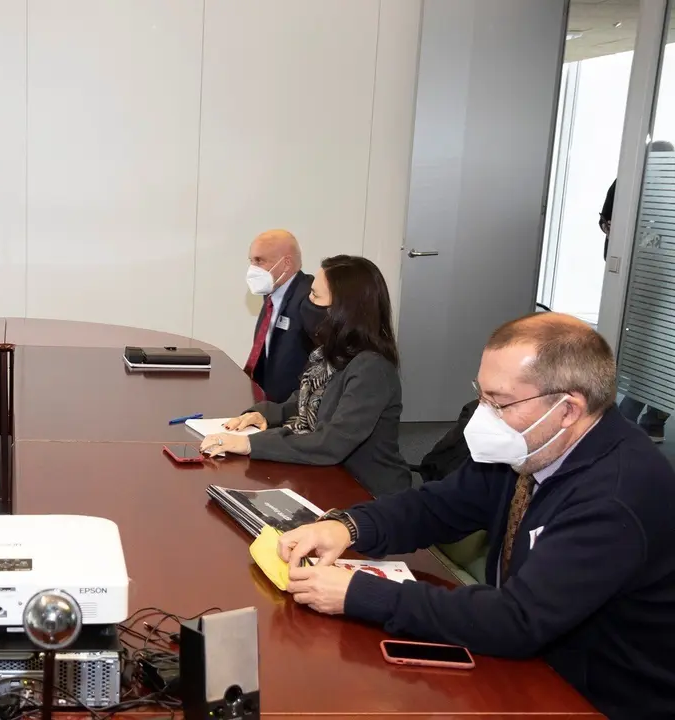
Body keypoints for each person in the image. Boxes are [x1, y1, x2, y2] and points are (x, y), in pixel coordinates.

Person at [278, 313, 675, 717]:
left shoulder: (617, 493)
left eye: (499, 402)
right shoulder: (531, 445)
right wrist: (348, 526)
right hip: (531, 665)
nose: (483, 415)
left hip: (597, 697)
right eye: (480, 396)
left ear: (568, 409)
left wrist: (358, 593)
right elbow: (437, 506)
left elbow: (517, 620)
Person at [203, 255, 411, 497]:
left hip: (369, 495)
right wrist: (264, 414)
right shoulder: (330, 354)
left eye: (315, 296)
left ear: (343, 310)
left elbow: (331, 443)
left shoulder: (372, 369)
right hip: (331, 478)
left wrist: (249, 444)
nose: (307, 303)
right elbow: (305, 401)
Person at [602, 141, 674, 443]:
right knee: (638, 341)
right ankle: (636, 415)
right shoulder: (626, 184)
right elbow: (607, 223)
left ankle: (645, 417)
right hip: (636, 276)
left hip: (661, 278)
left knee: (655, 346)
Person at [242, 229, 313, 403]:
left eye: (259, 261)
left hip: (292, 410)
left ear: (286, 263)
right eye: (251, 261)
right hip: (266, 405)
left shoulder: (309, 299)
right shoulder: (271, 294)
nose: (252, 269)